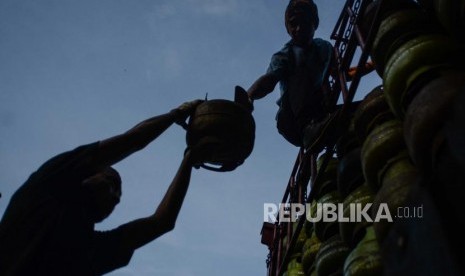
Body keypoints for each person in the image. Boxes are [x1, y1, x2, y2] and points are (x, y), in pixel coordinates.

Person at [0, 100, 208, 275]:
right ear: (85, 176)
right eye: (111, 182)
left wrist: (189, 160)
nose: (116, 197)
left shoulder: (90, 249)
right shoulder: (45, 187)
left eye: (119, 195)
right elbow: (132, 141)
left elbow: (161, 222)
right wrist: (176, 114)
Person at [245, 0, 374, 153]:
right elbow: (268, 81)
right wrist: (249, 96)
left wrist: (373, 64)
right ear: (288, 29)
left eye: (304, 22)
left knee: (367, 109)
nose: (298, 28)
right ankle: (308, 130)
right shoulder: (285, 55)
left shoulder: (324, 47)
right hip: (292, 122)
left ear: (314, 23)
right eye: (293, 24)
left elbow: (343, 74)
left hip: (321, 113)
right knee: (301, 70)